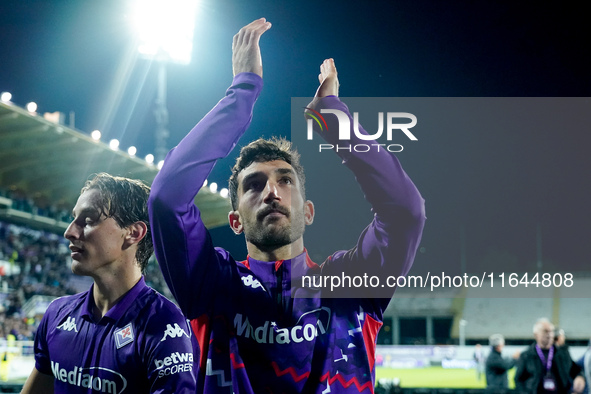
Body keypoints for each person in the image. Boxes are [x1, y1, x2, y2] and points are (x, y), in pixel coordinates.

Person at [148, 18, 425, 393]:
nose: (271, 193)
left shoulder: (351, 283)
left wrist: (334, 119)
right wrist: (243, 90)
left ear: (308, 211)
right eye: (254, 185)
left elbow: (405, 211)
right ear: (235, 220)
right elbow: (166, 198)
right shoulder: (210, 283)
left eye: (285, 180)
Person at [21, 173, 197, 393]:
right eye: (73, 219)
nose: (69, 232)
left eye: (87, 220)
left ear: (133, 233)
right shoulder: (56, 314)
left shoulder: (166, 328)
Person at [514, 318, 585, 394]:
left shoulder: (562, 354)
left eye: (551, 331)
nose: (549, 334)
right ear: (536, 335)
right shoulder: (526, 355)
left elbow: (575, 370)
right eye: (545, 331)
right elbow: (518, 380)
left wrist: (580, 377)